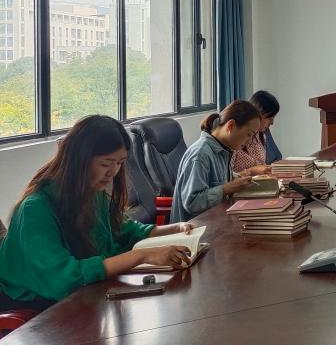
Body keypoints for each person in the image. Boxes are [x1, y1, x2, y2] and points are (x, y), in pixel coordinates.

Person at [0, 116, 194, 309]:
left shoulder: (91, 194)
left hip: (81, 295)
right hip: (34, 306)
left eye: (120, 163)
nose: (114, 172)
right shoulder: (34, 209)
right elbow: (63, 279)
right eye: (105, 164)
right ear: (79, 160)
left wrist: (177, 228)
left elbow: (127, 230)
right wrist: (141, 256)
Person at [171, 101, 264, 223]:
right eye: (249, 134)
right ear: (230, 126)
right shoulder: (200, 154)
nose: (249, 141)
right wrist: (228, 188)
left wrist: (237, 178)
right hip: (195, 229)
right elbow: (192, 203)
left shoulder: (223, 149)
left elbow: (216, 179)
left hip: (216, 221)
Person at [231, 90, 283, 173]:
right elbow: (228, 178)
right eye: (269, 117)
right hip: (244, 181)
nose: (272, 122)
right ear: (258, 113)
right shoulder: (236, 136)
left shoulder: (261, 135)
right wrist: (251, 171)